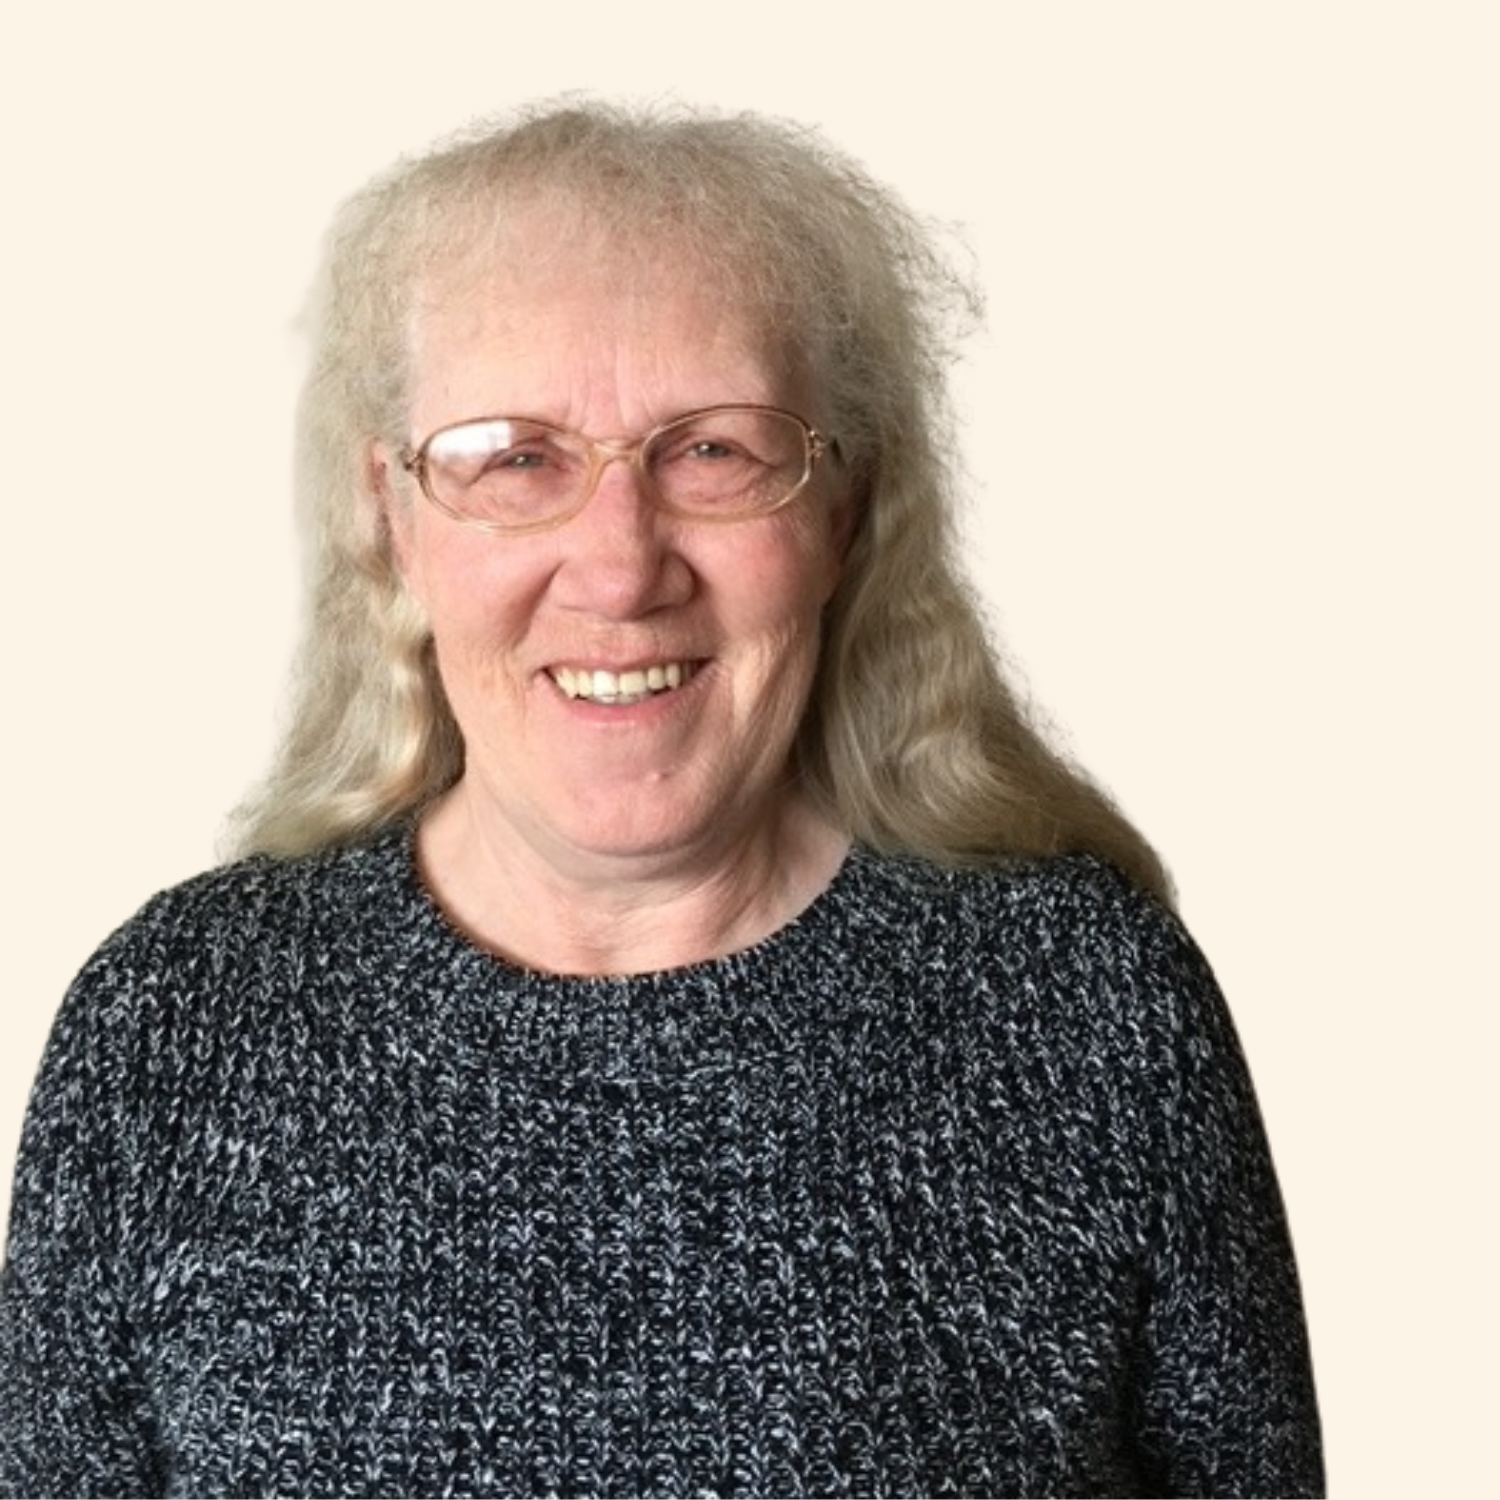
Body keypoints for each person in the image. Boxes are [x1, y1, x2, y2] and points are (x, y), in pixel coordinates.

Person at [0, 100, 1323, 1498]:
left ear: (845, 508)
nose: (621, 566)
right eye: (515, 457)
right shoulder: (176, 1028)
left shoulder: (1086, 1009)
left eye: (715, 452)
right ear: (391, 514)